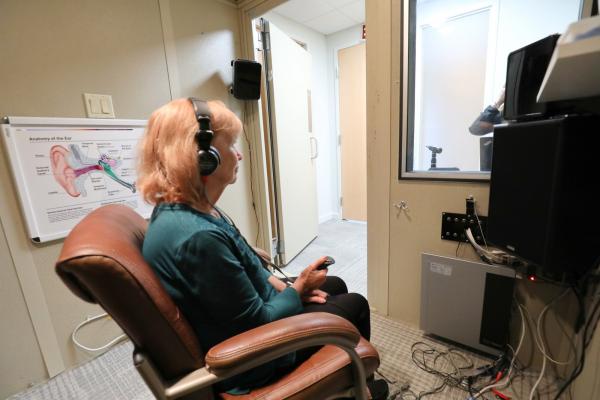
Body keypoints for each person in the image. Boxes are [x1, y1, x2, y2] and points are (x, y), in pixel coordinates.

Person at [137, 98, 387, 398]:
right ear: (205, 157)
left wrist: (287, 287)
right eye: (230, 145)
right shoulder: (198, 239)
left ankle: (349, 382)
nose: (239, 155)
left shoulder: (189, 210)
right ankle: (359, 386)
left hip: (247, 316)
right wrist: (297, 289)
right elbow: (260, 324)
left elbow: (247, 265)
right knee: (355, 303)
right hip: (253, 358)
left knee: (335, 284)